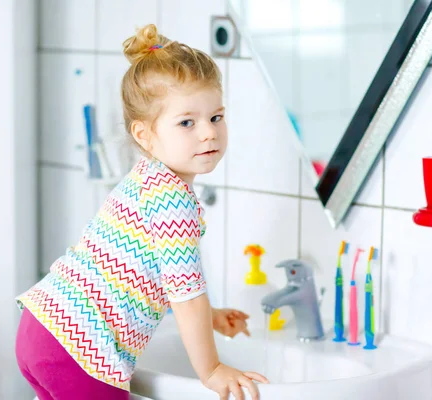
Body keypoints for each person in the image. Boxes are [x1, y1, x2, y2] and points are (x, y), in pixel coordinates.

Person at [14, 23, 269, 400]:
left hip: (43, 328)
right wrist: (211, 370)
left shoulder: (148, 178)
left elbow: (154, 276)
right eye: (187, 122)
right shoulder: (174, 201)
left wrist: (209, 317)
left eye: (216, 117)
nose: (208, 133)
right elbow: (186, 294)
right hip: (81, 349)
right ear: (143, 134)